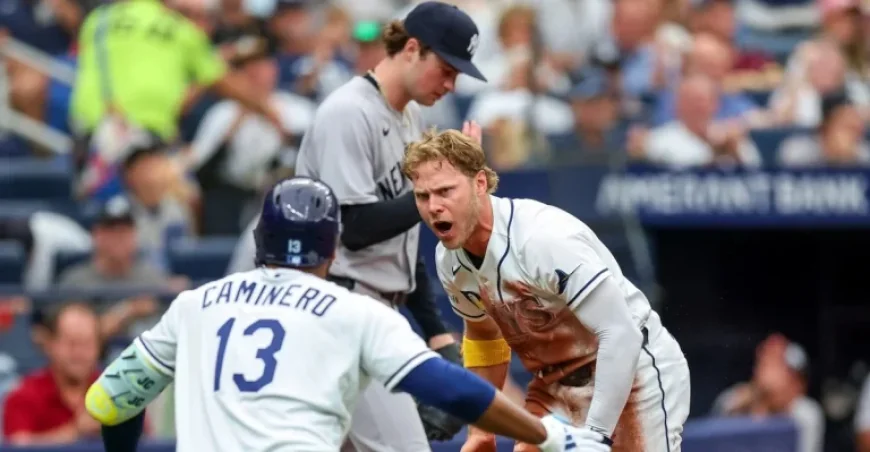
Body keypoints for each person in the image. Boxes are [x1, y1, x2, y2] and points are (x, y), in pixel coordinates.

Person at [82, 176, 606, 452]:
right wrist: (550, 435)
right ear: (332, 249)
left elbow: (109, 401)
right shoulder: (352, 311)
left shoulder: (196, 304)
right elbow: (453, 391)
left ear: (259, 241)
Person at [402, 129, 692, 452]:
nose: (433, 207)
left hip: (634, 375)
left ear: (479, 183)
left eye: (445, 191)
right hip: (554, 387)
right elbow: (484, 336)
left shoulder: (542, 238)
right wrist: (480, 430)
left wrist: (595, 435)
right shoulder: (449, 259)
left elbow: (621, 334)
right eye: (423, 196)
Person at [293, 1, 487, 449]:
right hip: (339, 305)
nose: (451, 84)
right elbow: (354, 228)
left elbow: (402, 240)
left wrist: (434, 330)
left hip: (372, 309)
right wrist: (442, 189)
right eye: (446, 69)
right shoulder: (349, 112)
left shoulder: (408, 116)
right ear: (412, 49)